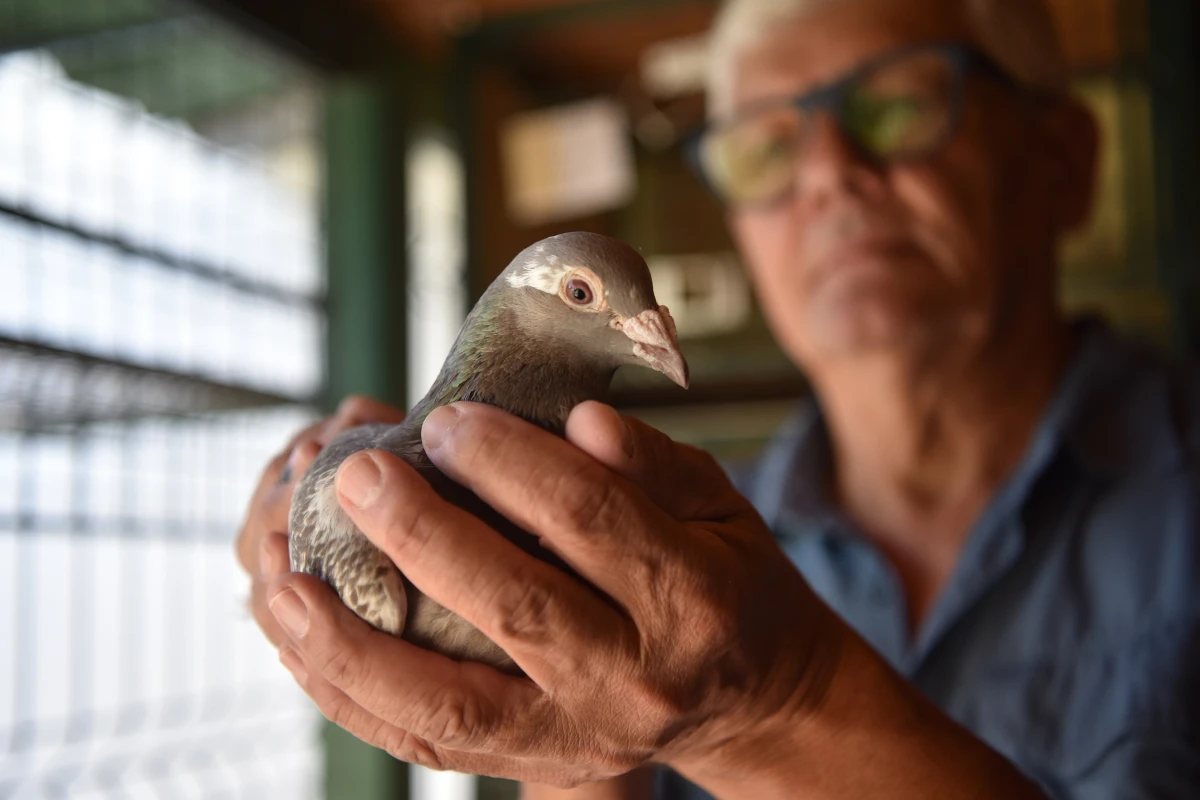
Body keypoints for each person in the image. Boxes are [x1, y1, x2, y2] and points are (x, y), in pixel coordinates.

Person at [235, 0, 1200, 796]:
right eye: (765, 149)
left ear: (1069, 160)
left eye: (898, 110)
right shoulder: (673, 540)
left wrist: (774, 712)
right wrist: (562, 728)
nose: (828, 174)